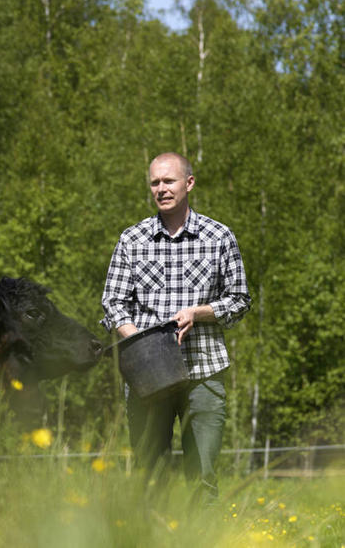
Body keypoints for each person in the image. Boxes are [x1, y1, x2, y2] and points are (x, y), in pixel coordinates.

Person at [100, 152, 251, 503]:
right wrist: (141, 341)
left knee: (202, 477)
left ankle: (202, 531)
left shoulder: (219, 236)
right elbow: (113, 303)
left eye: (169, 181)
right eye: (155, 182)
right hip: (146, 378)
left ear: (189, 183)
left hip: (203, 373)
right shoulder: (132, 239)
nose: (161, 189)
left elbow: (240, 300)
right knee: (150, 477)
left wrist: (199, 313)